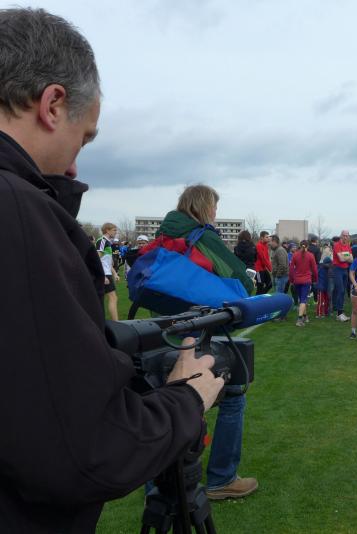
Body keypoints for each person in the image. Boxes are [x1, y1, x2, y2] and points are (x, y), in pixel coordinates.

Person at [0, 9, 225, 530]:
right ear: (53, 105)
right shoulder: (16, 209)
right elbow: (82, 451)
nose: (74, 166)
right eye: (84, 137)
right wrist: (187, 397)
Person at [140, 184, 258, 500]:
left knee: (165, 403)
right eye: (215, 208)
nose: (216, 214)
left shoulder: (163, 234)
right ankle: (222, 478)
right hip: (195, 330)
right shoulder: (203, 236)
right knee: (233, 394)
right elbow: (241, 278)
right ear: (205, 207)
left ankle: (157, 489)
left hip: (160, 330)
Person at [289, 240, 318, 326]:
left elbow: (291, 269)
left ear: (300, 245)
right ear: (307, 246)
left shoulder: (295, 255)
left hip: (297, 280)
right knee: (303, 299)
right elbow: (314, 269)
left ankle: (305, 316)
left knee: (302, 298)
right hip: (306, 280)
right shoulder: (310, 255)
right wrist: (315, 279)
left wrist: (291, 280)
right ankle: (299, 319)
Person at [96, 222, 120, 320]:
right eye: (114, 230)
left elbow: (107, 263)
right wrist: (103, 275)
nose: (116, 232)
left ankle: (99, 321)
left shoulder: (108, 242)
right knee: (113, 297)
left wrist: (115, 274)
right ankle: (116, 323)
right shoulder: (102, 240)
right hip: (104, 274)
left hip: (107, 273)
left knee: (102, 298)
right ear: (107, 230)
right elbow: (97, 259)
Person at [332, 229, 354, 321]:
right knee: (340, 290)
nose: (345, 237)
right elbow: (341, 259)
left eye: (347, 235)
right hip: (337, 269)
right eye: (344, 235)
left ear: (348, 236)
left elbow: (352, 260)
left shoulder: (348, 246)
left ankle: (339, 311)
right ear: (341, 236)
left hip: (345, 270)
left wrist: (345, 257)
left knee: (342, 291)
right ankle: (339, 313)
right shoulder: (337, 245)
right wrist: (347, 257)